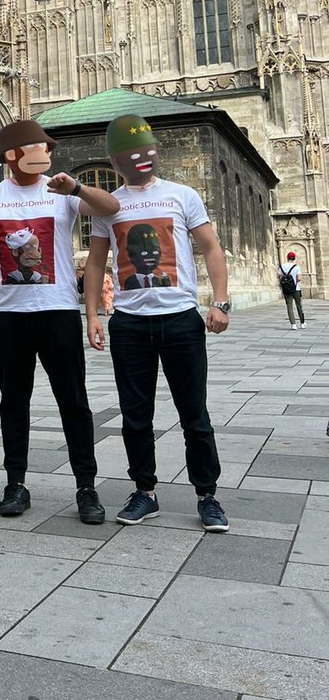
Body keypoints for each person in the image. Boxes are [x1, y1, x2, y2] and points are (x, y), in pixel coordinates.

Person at [0, 120, 116, 525]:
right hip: (11, 318)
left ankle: (86, 487)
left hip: (58, 314)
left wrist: (78, 188)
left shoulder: (60, 192)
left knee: (74, 403)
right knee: (14, 403)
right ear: (12, 155)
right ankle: (16, 484)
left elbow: (110, 208)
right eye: (36, 147)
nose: (44, 154)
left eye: (47, 147)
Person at [84, 114, 231, 533]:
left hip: (181, 320)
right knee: (135, 415)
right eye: (131, 155)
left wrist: (220, 302)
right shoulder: (107, 205)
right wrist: (93, 314)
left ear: (157, 152)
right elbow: (96, 261)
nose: (141, 160)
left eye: (147, 152)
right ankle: (144, 492)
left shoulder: (181, 196)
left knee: (194, 414)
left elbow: (210, 248)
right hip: (130, 324)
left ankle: (207, 495)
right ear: (115, 162)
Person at [277, 251, 306, 330]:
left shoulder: (282, 266)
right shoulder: (296, 267)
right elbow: (299, 278)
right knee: (299, 306)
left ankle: (293, 324)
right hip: (296, 289)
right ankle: (302, 323)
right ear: (294, 258)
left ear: (287, 258)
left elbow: (279, 277)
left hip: (286, 290)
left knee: (289, 307)